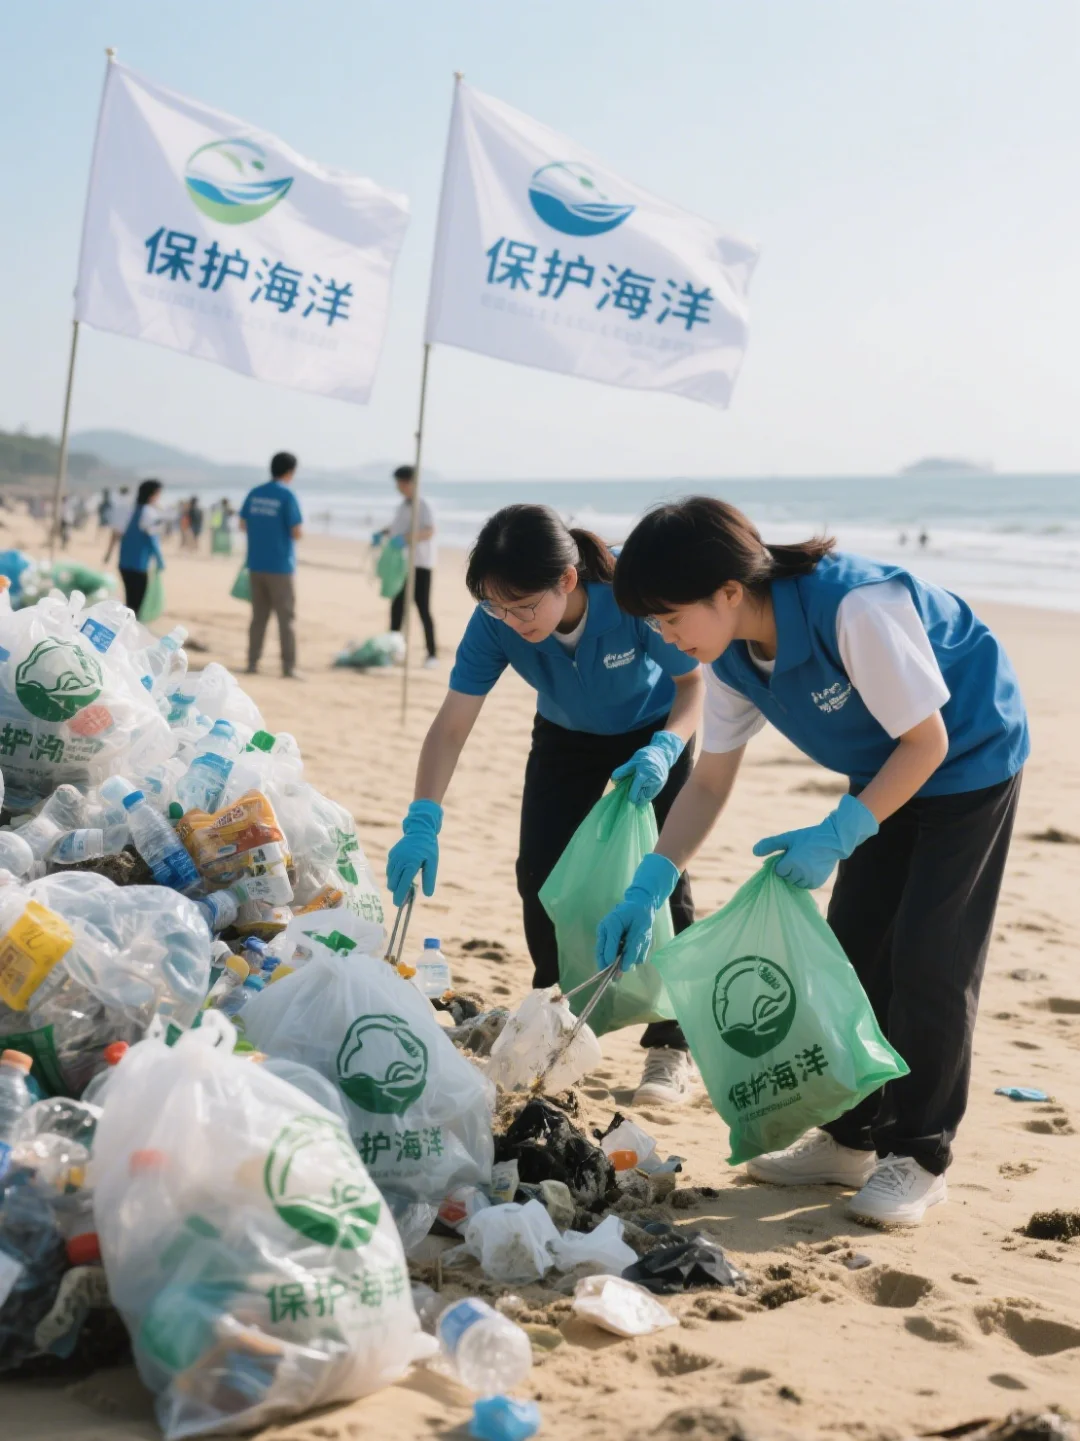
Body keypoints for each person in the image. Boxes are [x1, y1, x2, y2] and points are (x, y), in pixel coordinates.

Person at [598, 497, 1029, 1224]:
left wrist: (838, 832)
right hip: (885, 769)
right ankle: (851, 1138)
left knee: (930, 957)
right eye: (654, 625)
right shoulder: (728, 651)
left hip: (970, 757)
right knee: (853, 948)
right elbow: (709, 779)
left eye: (671, 618)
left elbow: (928, 742)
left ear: (729, 591)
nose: (666, 637)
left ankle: (919, 1156)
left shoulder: (854, 608)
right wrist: (651, 879)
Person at [385, 505, 706, 1105]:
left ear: (567, 579)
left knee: (666, 882)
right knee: (538, 875)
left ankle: (671, 1043)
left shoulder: (629, 600)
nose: (510, 619)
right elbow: (451, 726)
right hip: (564, 738)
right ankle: (554, 1019)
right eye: (496, 606)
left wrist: (665, 747)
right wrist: (422, 818)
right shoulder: (496, 623)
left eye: (523, 605)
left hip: (654, 734)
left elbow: (693, 686)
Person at [240, 451, 303, 679]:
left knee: (259, 617)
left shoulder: (255, 493)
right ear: (290, 472)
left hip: (256, 563)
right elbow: (296, 531)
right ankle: (289, 667)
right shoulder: (287, 495)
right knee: (286, 619)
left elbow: (242, 524)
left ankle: (252, 662)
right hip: (280, 566)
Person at [374, 464, 438, 668]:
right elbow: (396, 529)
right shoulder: (403, 506)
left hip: (420, 564)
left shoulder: (423, 504)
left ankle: (431, 654)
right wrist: (383, 533)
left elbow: (429, 531)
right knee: (397, 608)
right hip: (401, 566)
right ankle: (393, 650)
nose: (399, 487)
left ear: (410, 482)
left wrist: (406, 538)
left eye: (401, 483)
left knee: (423, 608)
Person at [118, 479, 166, 614]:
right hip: (138, 565)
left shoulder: (131, 510)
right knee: (135, 605)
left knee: (130, 600)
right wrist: (160, 560)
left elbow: (119, 532)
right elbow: (152, 539)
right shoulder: (149, 512)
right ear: (153, 495)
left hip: (124, 562)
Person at [103, 485, 132, 565]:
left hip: (115, 526)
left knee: (112, 543)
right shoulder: (129, 502)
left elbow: (110, 513)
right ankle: (121, 559)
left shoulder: (116, 501)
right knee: (123, 546)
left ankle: (107, 556)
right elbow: (130, 515)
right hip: (124, 527)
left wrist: (111, 523)